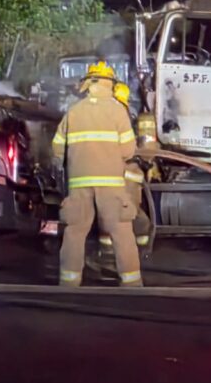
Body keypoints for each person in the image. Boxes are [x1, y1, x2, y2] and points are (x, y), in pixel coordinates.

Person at [52, 61, 142, 287]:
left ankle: (69, 283)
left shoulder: (73, 112)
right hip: (111, 184)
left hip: (79, 184)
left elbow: (57, 149)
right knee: (121, 231)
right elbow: (128, 150)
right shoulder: (117, 110)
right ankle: (131, 284)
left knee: (74, 232)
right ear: (109, 84)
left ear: (88, 84)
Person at [98, 81, 151, 251]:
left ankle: (109, 246)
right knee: (130, 208)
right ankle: (138, 242)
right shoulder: (121, 114)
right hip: (127, 171)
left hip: (118, 171)